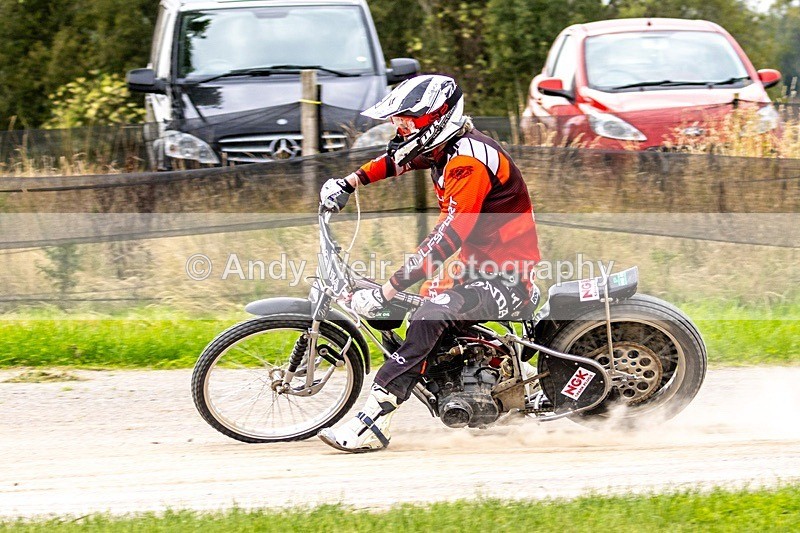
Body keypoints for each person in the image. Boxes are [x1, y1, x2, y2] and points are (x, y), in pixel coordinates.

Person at [317, 74, 540, 453]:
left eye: (406, 119)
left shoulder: (468, 164)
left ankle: (374, 420)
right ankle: (506, 377)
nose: (397, 126)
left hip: (507, 277)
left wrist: (390, 287)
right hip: (476, 268)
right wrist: (350, 182)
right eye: (396, 119)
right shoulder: (445, 149)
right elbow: (397, 161)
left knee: (427, 315)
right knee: (416, 302)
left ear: (437, 119)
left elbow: (447, 237)